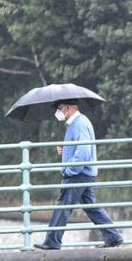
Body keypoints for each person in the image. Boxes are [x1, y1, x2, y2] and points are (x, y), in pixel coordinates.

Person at [34, 99, 124, 250]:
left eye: (59, 109)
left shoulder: (79, 124)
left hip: (78, 173)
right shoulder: (76, 123)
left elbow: (83, 152)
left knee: (63, 205)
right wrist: (64, 150)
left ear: (68, 108)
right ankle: (113, 236)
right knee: (91, 207)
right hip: (84, 172)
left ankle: (52, 242)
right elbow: (78, 149)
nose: (58, 113)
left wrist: (69, 171)